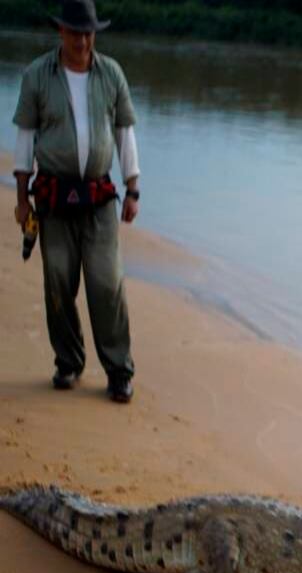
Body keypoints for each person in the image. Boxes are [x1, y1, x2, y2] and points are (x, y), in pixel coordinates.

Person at [12, 0, 141, 403]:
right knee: (58, 282)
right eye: (75, 33)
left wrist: (133, 188)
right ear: (61, 32)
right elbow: (24, 139)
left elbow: (124, 133)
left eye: (88, 34)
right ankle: (68, 362)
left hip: (99, 199)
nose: (82, 41)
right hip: (52, 199)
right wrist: (21, 199)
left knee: (107, 283)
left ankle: (119, 370)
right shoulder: (37, 75)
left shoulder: (112, 73)